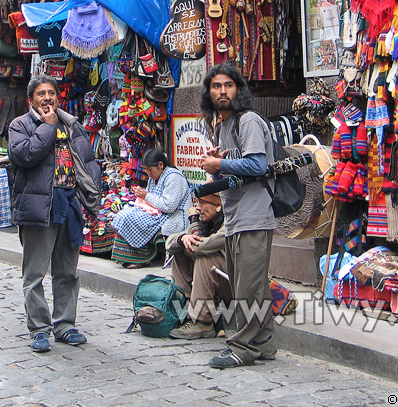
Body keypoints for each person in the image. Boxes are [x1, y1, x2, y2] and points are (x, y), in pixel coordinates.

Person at [8, 75, 101, 353]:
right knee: (35, 272)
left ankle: (65, 325)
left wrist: (91, 193)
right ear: (31, 100)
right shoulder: (20, 125)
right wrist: (47, 128)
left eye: (51, 93)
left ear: (58, 97)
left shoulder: (72, 124)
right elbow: (24, 156)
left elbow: (88, 161)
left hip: (69, 204)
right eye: (40, 94)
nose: (46, 98)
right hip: (39, 207)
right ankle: (39, 328)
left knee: (67, 271)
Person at [199, 62, 276, 369]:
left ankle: (242, 347)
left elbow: (258, 165)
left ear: (239, 89)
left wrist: (221, 165)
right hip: (235, 216)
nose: (222, 91)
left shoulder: (249, 122)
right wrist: (221, 164)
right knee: (254, 285)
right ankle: (265, 345)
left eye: (228, 85)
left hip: (254, 216)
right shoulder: (224, 125)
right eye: (216, 86)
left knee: (247, 288)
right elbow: (236, 170)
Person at [166, 190, 232, 339]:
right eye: (197, 203)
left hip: (234, 286)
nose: (198, 208)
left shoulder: (229, 223)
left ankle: (202, 321)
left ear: (218, 206)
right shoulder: (203, 223)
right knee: (179, 252)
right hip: (216, 284)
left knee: (205, 259)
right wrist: (182, 238)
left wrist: (187, 240)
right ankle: (184, 308)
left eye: (202, 203)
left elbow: (201, 247)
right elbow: (169, 243)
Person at [111, 149, 190, 268]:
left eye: (150, 170)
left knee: (132, 219)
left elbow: (169, 206)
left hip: (174, 216)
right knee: (124, 214)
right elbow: (150, 197)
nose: (148, 173)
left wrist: (146, 195)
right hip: (157, 212)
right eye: (146, 170)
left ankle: (141, 258)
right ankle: (128, 256)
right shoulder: (153, 178)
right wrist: (141, 194)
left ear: (160, 165)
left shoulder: (174, 177)